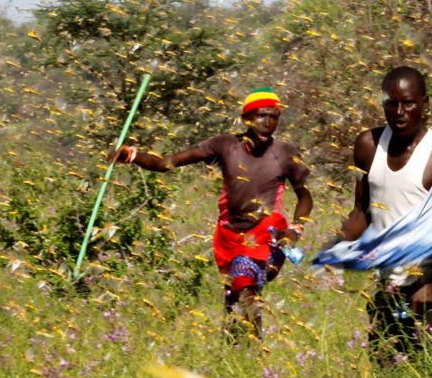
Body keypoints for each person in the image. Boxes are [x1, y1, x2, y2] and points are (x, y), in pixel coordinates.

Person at [111, 88, 312, 340]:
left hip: (266, 234)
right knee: (232, 300)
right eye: (261, 116)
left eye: (274, 117)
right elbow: (165, 163)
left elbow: (305, 197)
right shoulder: (225, 145)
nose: (267, 124)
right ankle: (234, 354)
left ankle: (255, 354)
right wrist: (131, 155)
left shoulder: (285, 153)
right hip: (228, 236)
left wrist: (295, 229)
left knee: (245, 284)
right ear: (246, 118)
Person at [341, 66, 432, 365]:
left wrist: (426, 280)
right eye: (391, 102)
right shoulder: (367, 146)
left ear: (424, 104)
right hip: (386, 288)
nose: (399, 111)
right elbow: (362, 211)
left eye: (408, 103)